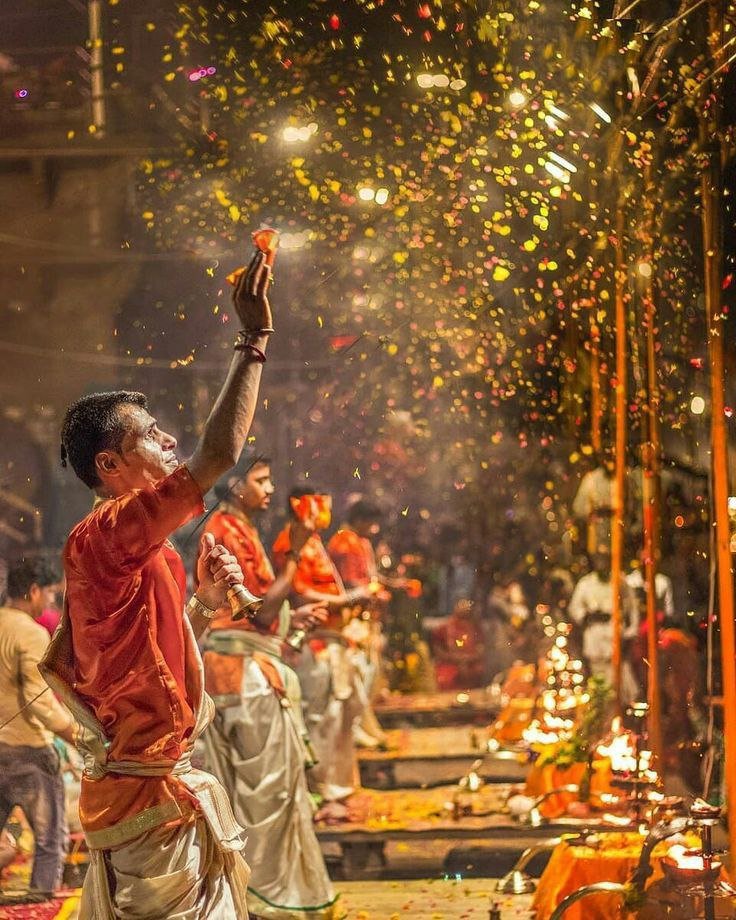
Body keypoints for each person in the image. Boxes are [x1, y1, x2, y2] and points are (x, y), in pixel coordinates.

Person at [42, 249, 274, 919]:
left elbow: (149, 660)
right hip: (146, 799)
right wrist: (254, 340)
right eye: (151, 434)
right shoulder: (104, 537)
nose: (168, 440)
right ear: (110, 465)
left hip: (160, 789)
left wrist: (200, 603)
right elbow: (218, 454)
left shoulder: (146, 552)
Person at [199, 457, 338, 919]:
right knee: (268, 795)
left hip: (243, 666)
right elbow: (255, 611)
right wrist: (295, 554)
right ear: (235, 485)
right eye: (261, 481)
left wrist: (289, 618)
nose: (270, 489)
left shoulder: (239, 527)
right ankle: (266, 898)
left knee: (261, 792)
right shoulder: (227, 530)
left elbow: (263, 613)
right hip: (244, 674)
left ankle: (259, 895)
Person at [273, 487, 371, 811]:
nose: (325, 509)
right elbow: (298, 592)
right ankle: (318, 792)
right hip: (312, 643)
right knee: (317, 718)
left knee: (338, 713)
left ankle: (334, 787)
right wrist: (346, 600)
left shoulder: (313, 541)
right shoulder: (290, 542)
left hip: (332, 640)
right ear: (299, 505)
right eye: (319, 503)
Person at [0, 556, 75, 901]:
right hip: (27, 751)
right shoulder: (30, 632)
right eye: (49, 594)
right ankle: (41, 903)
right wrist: (77, 735)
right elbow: (39, 703)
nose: (49, 602)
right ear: (32, 592)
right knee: (49, 840)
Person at [568, 550, 639, 698]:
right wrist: (590, 616)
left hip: (615, 636)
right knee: (601, 685)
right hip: (595, 640)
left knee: (621, 683)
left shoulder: (620, 581)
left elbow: (632, 607)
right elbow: (575, 608)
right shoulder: (586, 584)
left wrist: (630, 633)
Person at [431, 599, 486, 691]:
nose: (464, 607)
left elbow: (481, 650)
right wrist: (457, 660)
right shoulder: (443, 628)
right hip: (450, 665)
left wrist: (467, 660)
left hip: (472, 665)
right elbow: (438, 651)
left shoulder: (476, 628)